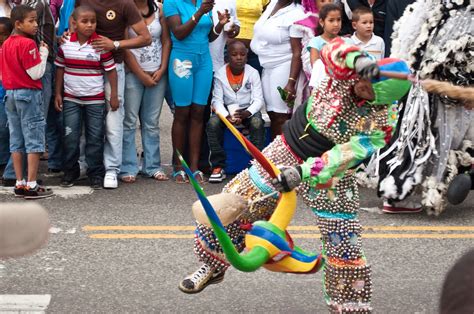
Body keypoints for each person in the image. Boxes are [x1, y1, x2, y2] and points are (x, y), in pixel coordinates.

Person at [179, 39, 412, 311]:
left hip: (331, 173)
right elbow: (332, 47)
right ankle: (212, 266)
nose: (361, 85)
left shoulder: (384, 120)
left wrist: (302, 172)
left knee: (343, 240)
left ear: (383, 97)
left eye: (370, 89)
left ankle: (349, 305)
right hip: (286, 149)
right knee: (233, 202)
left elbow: (347, 155)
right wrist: (358, 60)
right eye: (363, 79)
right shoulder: (347, 73)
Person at [376, 0, 473, 215]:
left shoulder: (428, 5)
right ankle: (403, 192)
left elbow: (403, 44)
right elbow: (460, 53)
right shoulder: (462, 10)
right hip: (437, 88)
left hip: (419, 84)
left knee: (417, 137)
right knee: (426, 139)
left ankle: (401, 191)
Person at [74, 0, 152, 189]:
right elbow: (74, 23)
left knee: (114, 118)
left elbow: (145, 38)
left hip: (113, 68)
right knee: (84, 117)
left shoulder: (125, 4)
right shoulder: (83, 1)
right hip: (85, 65)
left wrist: (115, 44)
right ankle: (83, 164)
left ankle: (111, 169)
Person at [164, 0, 230, 184]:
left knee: (199, 112)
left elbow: (207, 36)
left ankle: (194, 166)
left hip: (204, 61)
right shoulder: (172, 3)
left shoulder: (202, 3)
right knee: (182, 112)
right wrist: (200, 12)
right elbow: (179, 33)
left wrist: (220, 25)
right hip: (182, 60)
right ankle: (179, 166)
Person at [54, 6, 118, 189]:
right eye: (84, 21)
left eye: (93, 21)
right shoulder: (65, 43)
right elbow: (60, 69)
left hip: (95, 100)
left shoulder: (100, 44)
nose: (90, 25)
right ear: (74, 22)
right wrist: (58, 93)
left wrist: (114, 95)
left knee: (95, 137)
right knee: (70, 136)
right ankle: (70, 171)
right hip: (71, 98)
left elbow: (111, 71)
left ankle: (96, 173)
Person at [1, 5, 53, 199]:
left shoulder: (6, 44)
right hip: (28, 94)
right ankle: (31, 184)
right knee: (34, 138)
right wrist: (44, 53)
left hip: (11, 94)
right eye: (31, 21)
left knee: (16, 139)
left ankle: (19, 181)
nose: (36, 25)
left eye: (35, 20)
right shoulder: (27, 44)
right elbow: (35, 73)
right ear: (18, 24)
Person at [120, 0, 171, 183]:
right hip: (134, 73)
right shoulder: (126, 9)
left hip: (157, 73)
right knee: (129, 121)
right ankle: (128, 166)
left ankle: (152, 166)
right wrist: (140, 74)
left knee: (151, 122)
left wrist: (162, 68)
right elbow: (124, 47)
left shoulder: (159, 9)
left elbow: (165, 41)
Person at [207, 40, 265, 183]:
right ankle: (218, 166)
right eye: (234, 54)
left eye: (242, 54)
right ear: (227, 57)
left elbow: (258, 100)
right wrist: (226, 116)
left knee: (257, 123)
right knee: (212, 123)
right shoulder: (220, 74)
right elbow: (217, 100)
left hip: (247, 110)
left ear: (247, 56)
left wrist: (247, 113)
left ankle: (257, 167)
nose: (239, 58)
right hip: (227, 110)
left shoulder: (253, 72)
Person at [250, 0, 306, 140]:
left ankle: (281, 156)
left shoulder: (296, 13)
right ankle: (274, 155)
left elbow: (297, 52)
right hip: (267, 65)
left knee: (282, 115)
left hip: (284, 66)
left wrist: (291, 82)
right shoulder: (272, 4)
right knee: (272, 113)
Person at [307, 3, 352, 88]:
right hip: (322, 86)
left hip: (344, 86)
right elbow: (315, 65)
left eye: (338, 20)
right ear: (321, 22)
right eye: (331, 20)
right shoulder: (316, 42)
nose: (336, 24)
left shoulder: (348, 42)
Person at [234, 0, 269, 73]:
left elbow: (268, 16)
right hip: (233, 45)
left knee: (255, 77)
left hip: (255, 44)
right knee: (232, 80)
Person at [0, 16, 12, 180]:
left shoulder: (11, 50)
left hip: (9, 95)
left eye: (3, 34)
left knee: (6, 130)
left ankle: (5, 164)